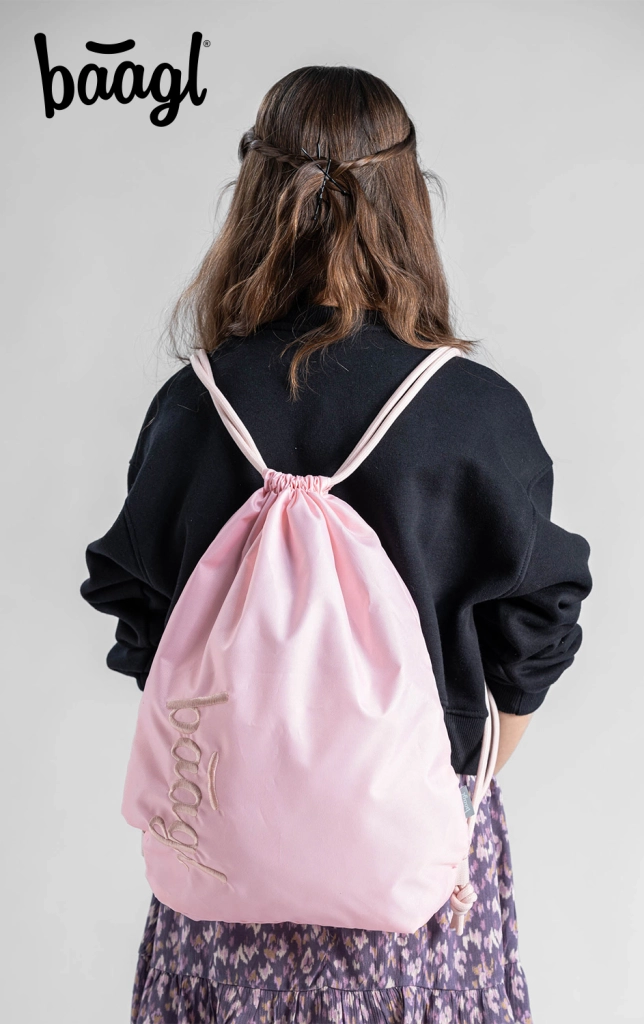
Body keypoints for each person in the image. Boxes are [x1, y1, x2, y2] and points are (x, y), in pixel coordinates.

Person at [80, 65, 592, 1024]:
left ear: (254, 195)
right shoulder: (472, 413)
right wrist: (441, 778)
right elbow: (539, 624)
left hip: (220, 882)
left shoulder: (192, 408)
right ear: (407, 199)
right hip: (415, 899)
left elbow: (143, 624)